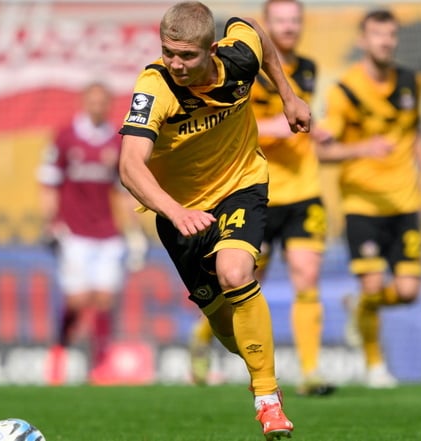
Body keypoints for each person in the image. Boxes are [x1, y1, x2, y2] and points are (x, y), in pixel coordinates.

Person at [118, 2, 310, 439]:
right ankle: (256, 368)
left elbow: (257, 35)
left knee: (235, 270)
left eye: (187, 55)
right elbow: (130, 166)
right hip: (180, 213)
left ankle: (267, 398)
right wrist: (174, 210)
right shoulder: (156, 86)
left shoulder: (238, 57)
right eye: (169, 52)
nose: (176, 64)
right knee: (226, 329)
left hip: (241, 184)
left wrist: (289, 94)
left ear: (212, 49)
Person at [188, 0, 335, 397]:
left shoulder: (307, 68)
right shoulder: (241, 66)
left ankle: (311, 372)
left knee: (307, 276)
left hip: (305, 190)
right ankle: (202, 339)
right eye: (281, 21)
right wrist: (278, 126)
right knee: (239, 282)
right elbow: (230, 120)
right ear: (265, 26)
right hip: (257, 190)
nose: (289, 28)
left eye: (295, 21)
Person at [313, 9, 421, 388]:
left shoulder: (411, 81)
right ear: (362, 41)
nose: (385, 41)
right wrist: (363, 148)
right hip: (362, 206)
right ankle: (375, 366)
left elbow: (411, 128)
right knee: (372, 285)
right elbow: (323, 152)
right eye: (377, 34)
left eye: (390, 34)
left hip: (404, 204)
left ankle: (360, 308)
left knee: (408, 291)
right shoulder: (345, 91)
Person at [37, 82, 147, 385]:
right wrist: (49, 222)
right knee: (77, 299)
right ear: (84, 102)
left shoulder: (114, 140)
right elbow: (49, 182)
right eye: (93, 101)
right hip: (74, 232)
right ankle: (60, 348)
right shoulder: (65, 137)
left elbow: (124, 190)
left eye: (103, 102)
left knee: (104, 299)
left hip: (108, 234)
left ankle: (100, 364)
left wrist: (134, 232)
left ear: (109, 104)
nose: (98, 106)